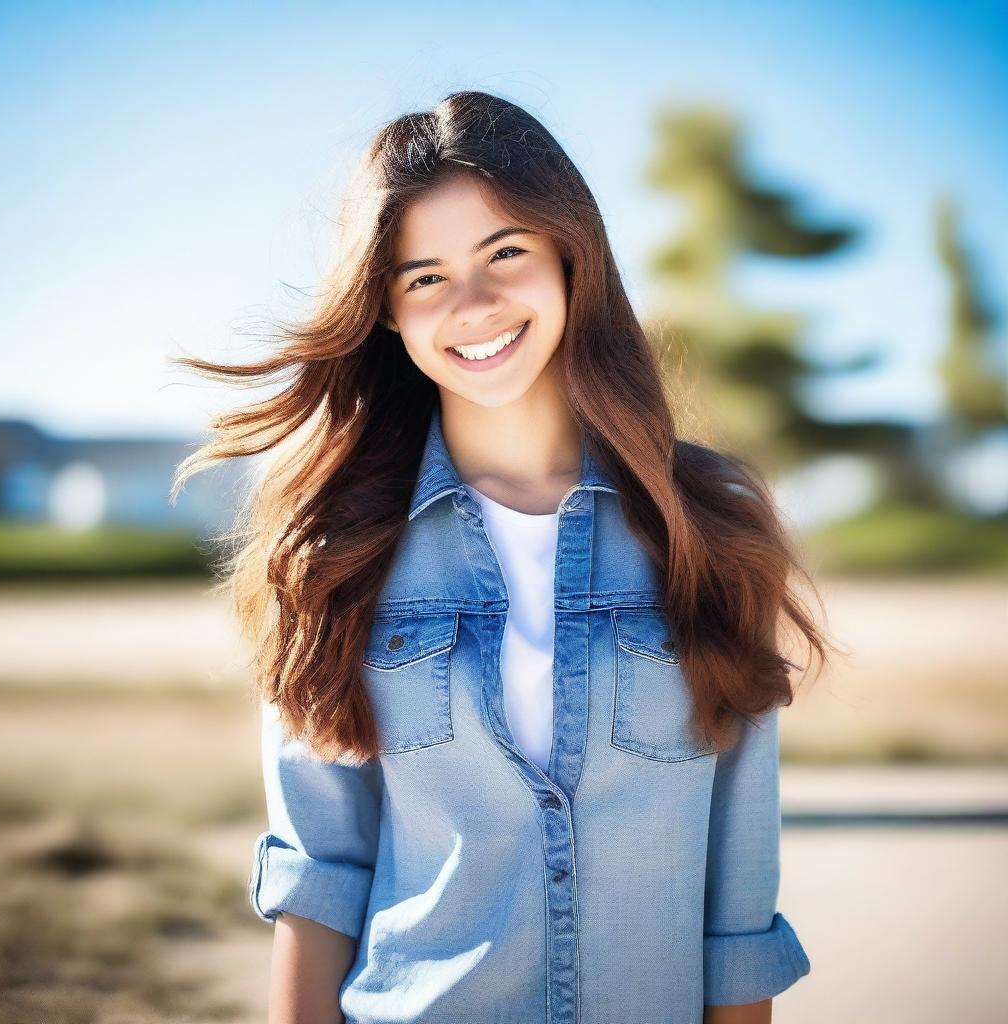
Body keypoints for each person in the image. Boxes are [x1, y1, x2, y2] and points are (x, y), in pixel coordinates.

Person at [171, 89, 833, 1024]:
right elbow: (319, 873)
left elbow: (738, 889)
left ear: (572, 259)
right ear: (387, 313)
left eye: (506, 254)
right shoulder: (332, 552)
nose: (473, 306)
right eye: (424, 277)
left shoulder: (708, 525)